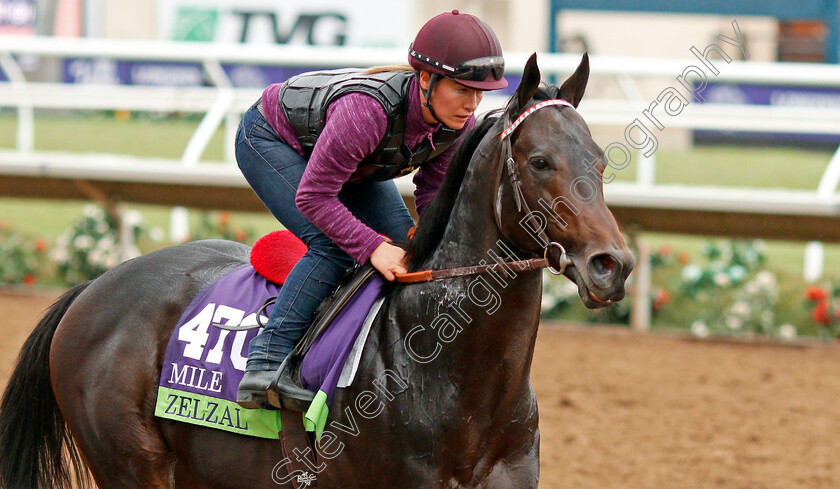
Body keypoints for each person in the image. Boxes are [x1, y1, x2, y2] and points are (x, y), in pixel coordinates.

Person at [235, 9, 508, 409]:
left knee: (406, 248)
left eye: (479, 93)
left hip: (354, 162)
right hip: (271, 139)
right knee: (336, 245)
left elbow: (431, 190)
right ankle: (264, 363)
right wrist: (370, 246)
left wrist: (425, 236)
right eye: (463, 90)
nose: (473, 104)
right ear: (426, 79)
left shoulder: (457, 123)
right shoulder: (367, 111)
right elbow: (314, 196)